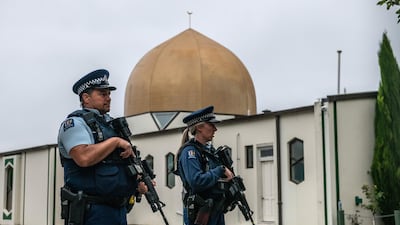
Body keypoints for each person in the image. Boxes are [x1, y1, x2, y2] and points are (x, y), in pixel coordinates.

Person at [58, 69, 147, 225]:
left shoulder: (110, 125)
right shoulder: (75, 124)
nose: (108, 98)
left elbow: (118, 164)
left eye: (109, 94)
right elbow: (83, 157)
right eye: (102, 94)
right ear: (86, 97)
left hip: (117, 210)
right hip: (92, 211)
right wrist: (115, 142)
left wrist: (136, 184)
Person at [176, 106, 234, 225]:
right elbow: (196, 181)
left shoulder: (210, 152)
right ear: (199, 127)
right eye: (211, 125)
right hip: (201, 212)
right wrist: (220, 170)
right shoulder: (190, 152)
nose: (215, 129)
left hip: (215, 210)